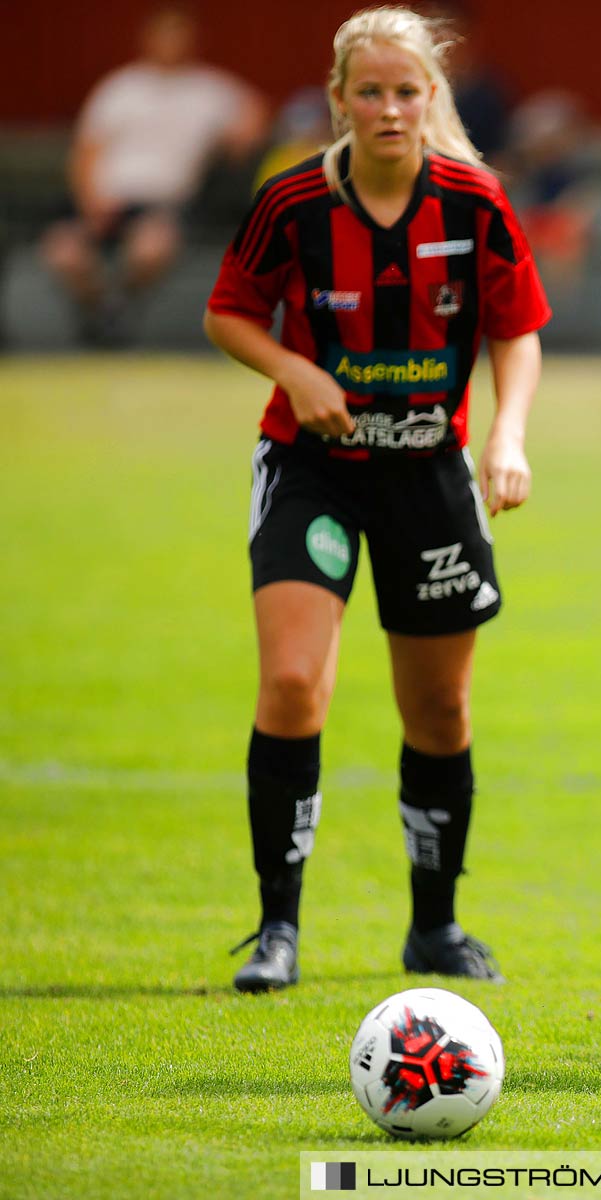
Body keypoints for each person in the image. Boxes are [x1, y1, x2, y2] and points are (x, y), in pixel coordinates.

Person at [203, 6, 550, 994]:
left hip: (430, 476)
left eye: (408, 90)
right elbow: (228, 312)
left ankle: (434, 929)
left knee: (439, 707)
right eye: (371, 90)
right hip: (311, 470)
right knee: (294, 687)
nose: (390, 107)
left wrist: (508, 435)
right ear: (339, 99)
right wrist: (293, 373)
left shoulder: (475, 202)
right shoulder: (293, 202)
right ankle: (277, 928)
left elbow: (516, 329)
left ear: (432, 96)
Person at [41, 6, 266, 345]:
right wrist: (92, 201)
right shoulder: (121, 87)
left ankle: (118, 310)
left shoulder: (208, 90)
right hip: (105, 201)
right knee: (63, 251)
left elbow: (255, 114)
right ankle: (100, 311)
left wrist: (233, 146)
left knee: (151, 249)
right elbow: (86, 152)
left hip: (165, 206)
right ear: (147, 40)